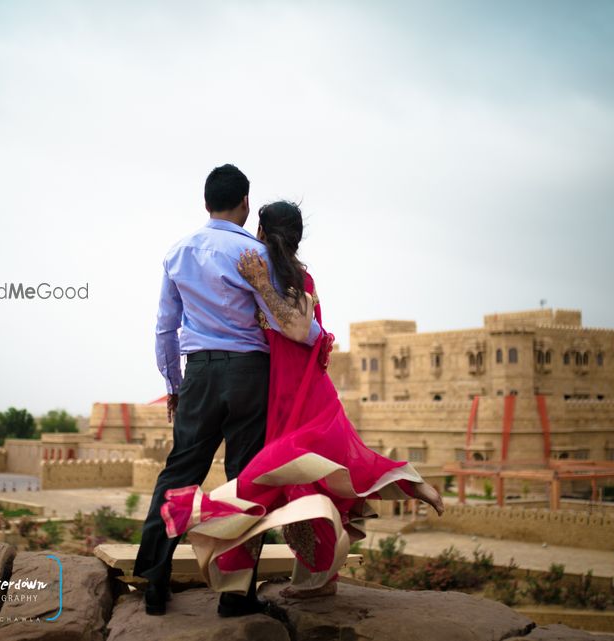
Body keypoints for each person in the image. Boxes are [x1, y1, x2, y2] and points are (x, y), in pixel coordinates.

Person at [158, 200, 444, 602]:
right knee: (305, 490)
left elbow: (298, 330)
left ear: (262, 232)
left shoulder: (287, 280)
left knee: (266, 484)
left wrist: (259, 286)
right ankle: (316, 581)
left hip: (303, 404)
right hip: (289, 400)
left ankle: (193, 515)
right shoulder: (282, 275)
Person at [133, 166, 322, 618]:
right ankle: (235, 595)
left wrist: (174, 385)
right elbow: (285, 321)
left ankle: (154, 583)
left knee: (178, 475)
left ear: (205, 204)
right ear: (245, 204)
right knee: (244, 481)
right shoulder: (255, 255)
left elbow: (165, 327)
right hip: (250, 376)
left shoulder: (178, 252)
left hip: (199, 372)